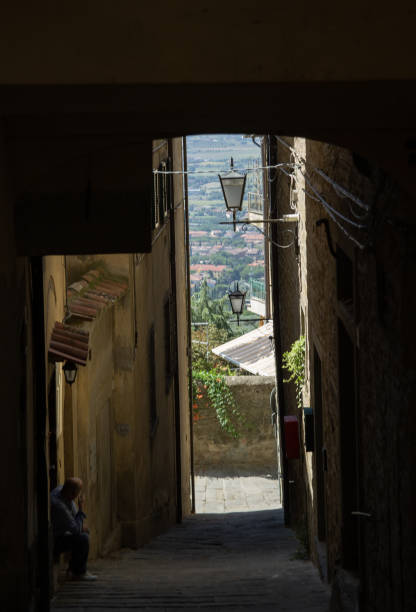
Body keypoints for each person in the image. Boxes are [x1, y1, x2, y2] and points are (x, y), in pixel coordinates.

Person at [50, 477, 97, 581]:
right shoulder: (59, 506)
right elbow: (76, 529)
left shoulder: (62, 491)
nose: (78, 495)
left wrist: (79, 525)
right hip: (54, 540)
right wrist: (81, 507)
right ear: (73, 493)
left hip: (62, 533)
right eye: (78, 492)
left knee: (82, 534)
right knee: (83, 538)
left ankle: (73, 568)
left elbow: (74, 518)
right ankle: (79, 572)